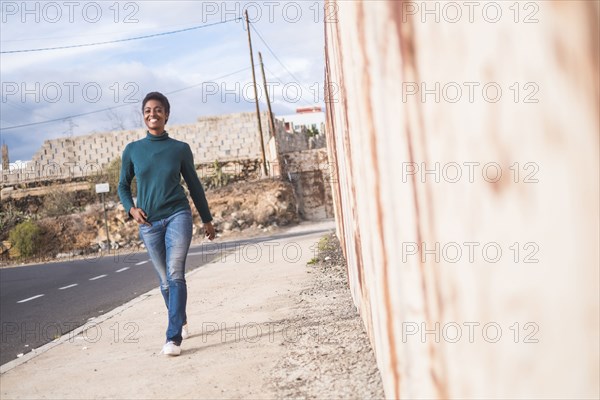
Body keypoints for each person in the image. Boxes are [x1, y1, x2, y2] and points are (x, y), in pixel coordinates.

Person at [118, 91, 215, 356]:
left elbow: (194, 186)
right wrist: (131, 209)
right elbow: (122, 186)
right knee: (164, 281)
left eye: (158, 109)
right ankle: (180, 319)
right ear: (144, 115)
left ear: (167, 115)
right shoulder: (133, 150)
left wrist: (207, 219)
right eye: (148, 110)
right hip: (148, 223)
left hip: (177, 215)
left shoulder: (180, 149)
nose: (153, 114)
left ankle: (172, 338)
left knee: (175, 273)